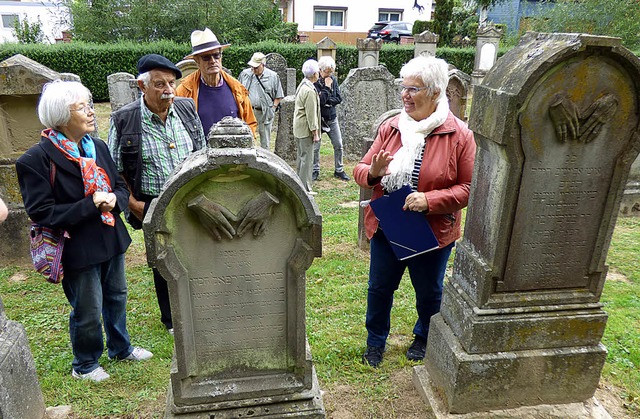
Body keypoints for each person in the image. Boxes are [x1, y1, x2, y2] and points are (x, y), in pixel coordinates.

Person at [15, 80, 153, 382]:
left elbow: (117, 183)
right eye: (83, 107)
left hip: (109, 237)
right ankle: (86, 364)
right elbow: (42, 212)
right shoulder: (35, 160)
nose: (92, 112)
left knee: (117, 296)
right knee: (88, 307)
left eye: (90, 106)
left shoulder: (97, 147)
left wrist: (115, 198)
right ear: (62, 116)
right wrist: (91, 204)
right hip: (78, 246)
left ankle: (120, 347)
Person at [353, 56, 476, 368]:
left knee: (429, 292)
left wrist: (429, 200)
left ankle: (424, 336)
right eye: (403, 87)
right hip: (389, 224)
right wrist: (374, 173)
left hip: (433, 230)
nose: (405, 95)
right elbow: (360, 169)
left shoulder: (460, 134)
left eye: (413, 89)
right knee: (380, 288)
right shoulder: (391, 127)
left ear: (435, 92)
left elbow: (469, 187)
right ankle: (375, 341)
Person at [109, 54, 208, 335]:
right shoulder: (124, 120)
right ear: (142, 87)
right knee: (163, 261)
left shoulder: (187, 109)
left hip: (191, 196)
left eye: (171, 83)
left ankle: (201, 305)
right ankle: (173, 320)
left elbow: (202, 152)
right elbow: (114, 170)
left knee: (198, 252)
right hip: (151, 202)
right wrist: (134, 205)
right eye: (159, 84)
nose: (168, 90)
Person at [176, 28, 258, 137]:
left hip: (234, 152)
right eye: (206, 57)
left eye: (216, 55)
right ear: (197, 61)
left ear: (221, 56)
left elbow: (250, 123)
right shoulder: (184, 91)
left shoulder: (237, 89)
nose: (213, 61)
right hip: (200, 153)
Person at [312, 56, 349, 182]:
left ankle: (339, 170)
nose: (329, 74)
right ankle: (315, 170)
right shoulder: (315, 82)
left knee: (338, 144)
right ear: (320, 70)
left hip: (332, 118)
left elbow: (338, 98)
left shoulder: (333, 80)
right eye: (327, 71)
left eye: (331, 72)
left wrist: (328, 100)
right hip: (319, 118)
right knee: (316, 147)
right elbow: (320, 102)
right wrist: (327, 89)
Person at [238, 52, 284, 150]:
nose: (253, 69)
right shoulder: (245, 74)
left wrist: (273, 107)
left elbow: (279, 95)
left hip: (265, 112)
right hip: (248, 111)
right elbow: (238, 91)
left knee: (265, 141)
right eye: (252, 67)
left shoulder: (273, 76)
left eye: (256, 67)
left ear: (263, 65)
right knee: (247, 137)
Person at [293, 59, 321, 195]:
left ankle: (299, 183)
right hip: (305, 129)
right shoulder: (309, 91)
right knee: (306, 159)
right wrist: (315, 132)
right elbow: (311, 114)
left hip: (299, 128)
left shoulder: (302, 85)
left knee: (301, 157)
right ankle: (304, 188)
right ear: (315, 74)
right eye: (318, 71)